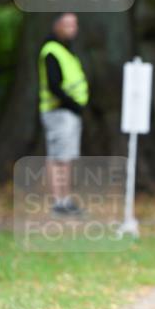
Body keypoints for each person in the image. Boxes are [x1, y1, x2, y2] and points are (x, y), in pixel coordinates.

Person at [38, 12, 89, 215]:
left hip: (67, 113)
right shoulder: (52, 51)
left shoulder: (66, 51)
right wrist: (73, 105)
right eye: (68, 24)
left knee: (65, 157)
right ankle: (59, 202)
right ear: (56, 25)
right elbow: (54, 85)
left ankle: (65, 200)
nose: (72, 29)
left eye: (74, 25)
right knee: (59, 158)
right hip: (59, 112)